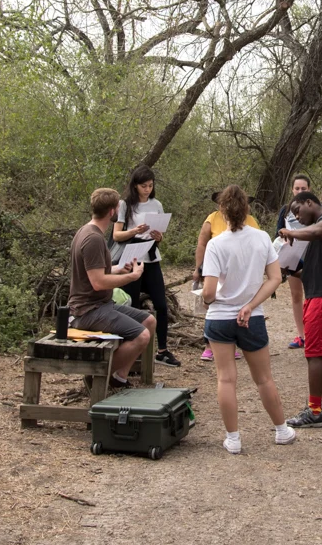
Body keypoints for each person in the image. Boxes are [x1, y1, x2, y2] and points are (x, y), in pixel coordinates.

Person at [201, 184, 298, 453]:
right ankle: (281, 430)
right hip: (251, 316)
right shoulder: (262, 238)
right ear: (247, 209)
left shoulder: (215, 245)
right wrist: (250, 304)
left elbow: (209, 291)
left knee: (225, 379)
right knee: (264, 378)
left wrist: (207, 298)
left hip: (219, 318)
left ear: (222, 210)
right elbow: (275, 279)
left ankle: (233, 439)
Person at [68, 188, 158, 389]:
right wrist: (131, 276)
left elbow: (99, 271)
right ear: (111, 211)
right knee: (141, 335)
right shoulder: (93, 239)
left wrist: (119, 268)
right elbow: (98, 282)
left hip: (102, 304)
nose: (119, 209)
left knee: (149, 321)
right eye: (118, 206)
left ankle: (119, 378)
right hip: (87, 311)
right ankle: (97, 375)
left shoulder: (89, 232)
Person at [278, 186, 322, 427]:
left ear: (309, 202)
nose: (297, 218)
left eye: (298, 211)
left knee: (316, 353)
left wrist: (292, 232)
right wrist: (290, 271)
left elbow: (321, 231)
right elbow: (312, 269)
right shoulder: (313, 234)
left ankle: (315, 410)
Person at [113, 164, 179, 367]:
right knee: (131, 304)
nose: (147, 189)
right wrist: (134, 230)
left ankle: (162, 350)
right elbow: (116, 235)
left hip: (151, 257)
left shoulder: (156, 204)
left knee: (160, 304)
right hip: (132, 258)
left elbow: (160, 233)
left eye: (150, 185)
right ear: (135, 186)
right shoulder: (125, 205)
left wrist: (158, 236)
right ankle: (132, 351)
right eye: (143, 186)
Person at [193, 190, 259, 361]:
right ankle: (209, 344)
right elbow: (202, 244)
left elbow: (257, 246)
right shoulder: (212, 218)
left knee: (238, 304)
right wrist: (198, 268)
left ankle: (234, 344)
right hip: (214, 268)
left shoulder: (251, 221)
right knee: (211, 306)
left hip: (239, 270)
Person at [275, 174, 312, 349]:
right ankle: (301, 335)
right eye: (297, 188)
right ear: (292, 190)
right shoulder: (286, 209)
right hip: (292, 257)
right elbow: (278, 232)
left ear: (309, 190)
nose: (299, 191)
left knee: (313, 295)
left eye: (303, 188)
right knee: (296, 295)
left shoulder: (315, 207)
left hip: (312, 256)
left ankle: (313, 333)